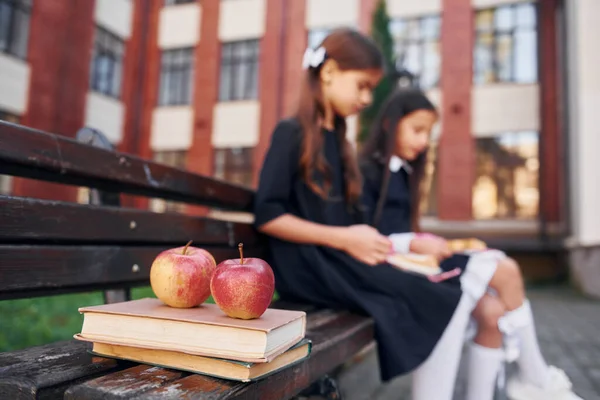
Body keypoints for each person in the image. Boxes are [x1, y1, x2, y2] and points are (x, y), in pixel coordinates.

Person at [255, 27, 480, 400]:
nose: (367, 98)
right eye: (361, 85)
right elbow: (267, 214)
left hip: (338, 259)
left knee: (442, 288)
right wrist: (345, 239)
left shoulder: (340, 144)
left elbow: (350, 223)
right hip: (310, 266)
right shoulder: (290, 132)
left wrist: (375, 244)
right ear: (327, 73)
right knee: (435, 298)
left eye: (371, 89)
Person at [359, 88, 583, 400]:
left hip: (415, 265)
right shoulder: (364, 171)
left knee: (492, 313)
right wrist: (413, 242)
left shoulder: (407, 174)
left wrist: (427, 243)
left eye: (428, 133)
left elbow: (407, 235)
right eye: (417, 130)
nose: (424, 141)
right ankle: (535, 378)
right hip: (389, 272)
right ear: (389, 123)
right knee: (505, 270)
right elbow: (362, 236)